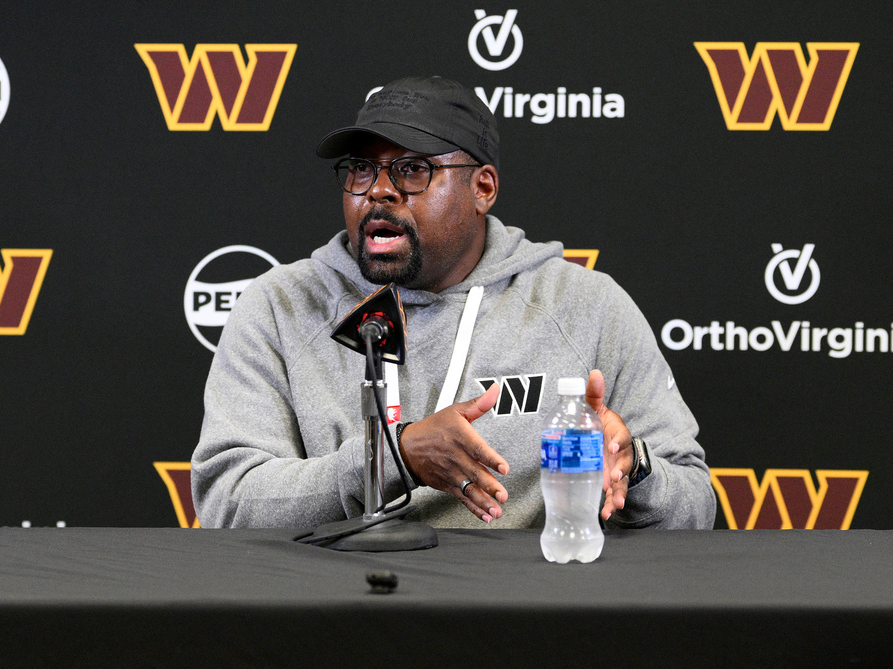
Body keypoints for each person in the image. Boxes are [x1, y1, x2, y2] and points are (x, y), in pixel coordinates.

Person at [191, 75, 716, 530]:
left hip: (520, 619)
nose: (378, 192)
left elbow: (696, 507)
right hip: (338, 615)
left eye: (412, 169)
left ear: (482, 187)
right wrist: (392, 459)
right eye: (360, 170)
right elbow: (226, 504)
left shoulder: (586, 306)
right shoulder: (280, 307)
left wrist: (635, 468)